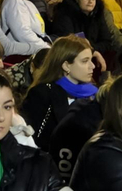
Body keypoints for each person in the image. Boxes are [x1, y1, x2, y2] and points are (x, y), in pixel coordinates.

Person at [20, 37, 101, 175]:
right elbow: (31, 140)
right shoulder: (42, 93)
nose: (92, 66)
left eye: (91, 60)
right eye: (85, 61)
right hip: (52, 170)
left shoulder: (95, 94)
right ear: (66, 66)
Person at [48, 0, 122, 58]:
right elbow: (67, 41)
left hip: (94, 55)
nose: (90, 1)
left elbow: (107, 42)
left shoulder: (98, 14)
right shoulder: (64, 14)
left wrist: (92, 48)